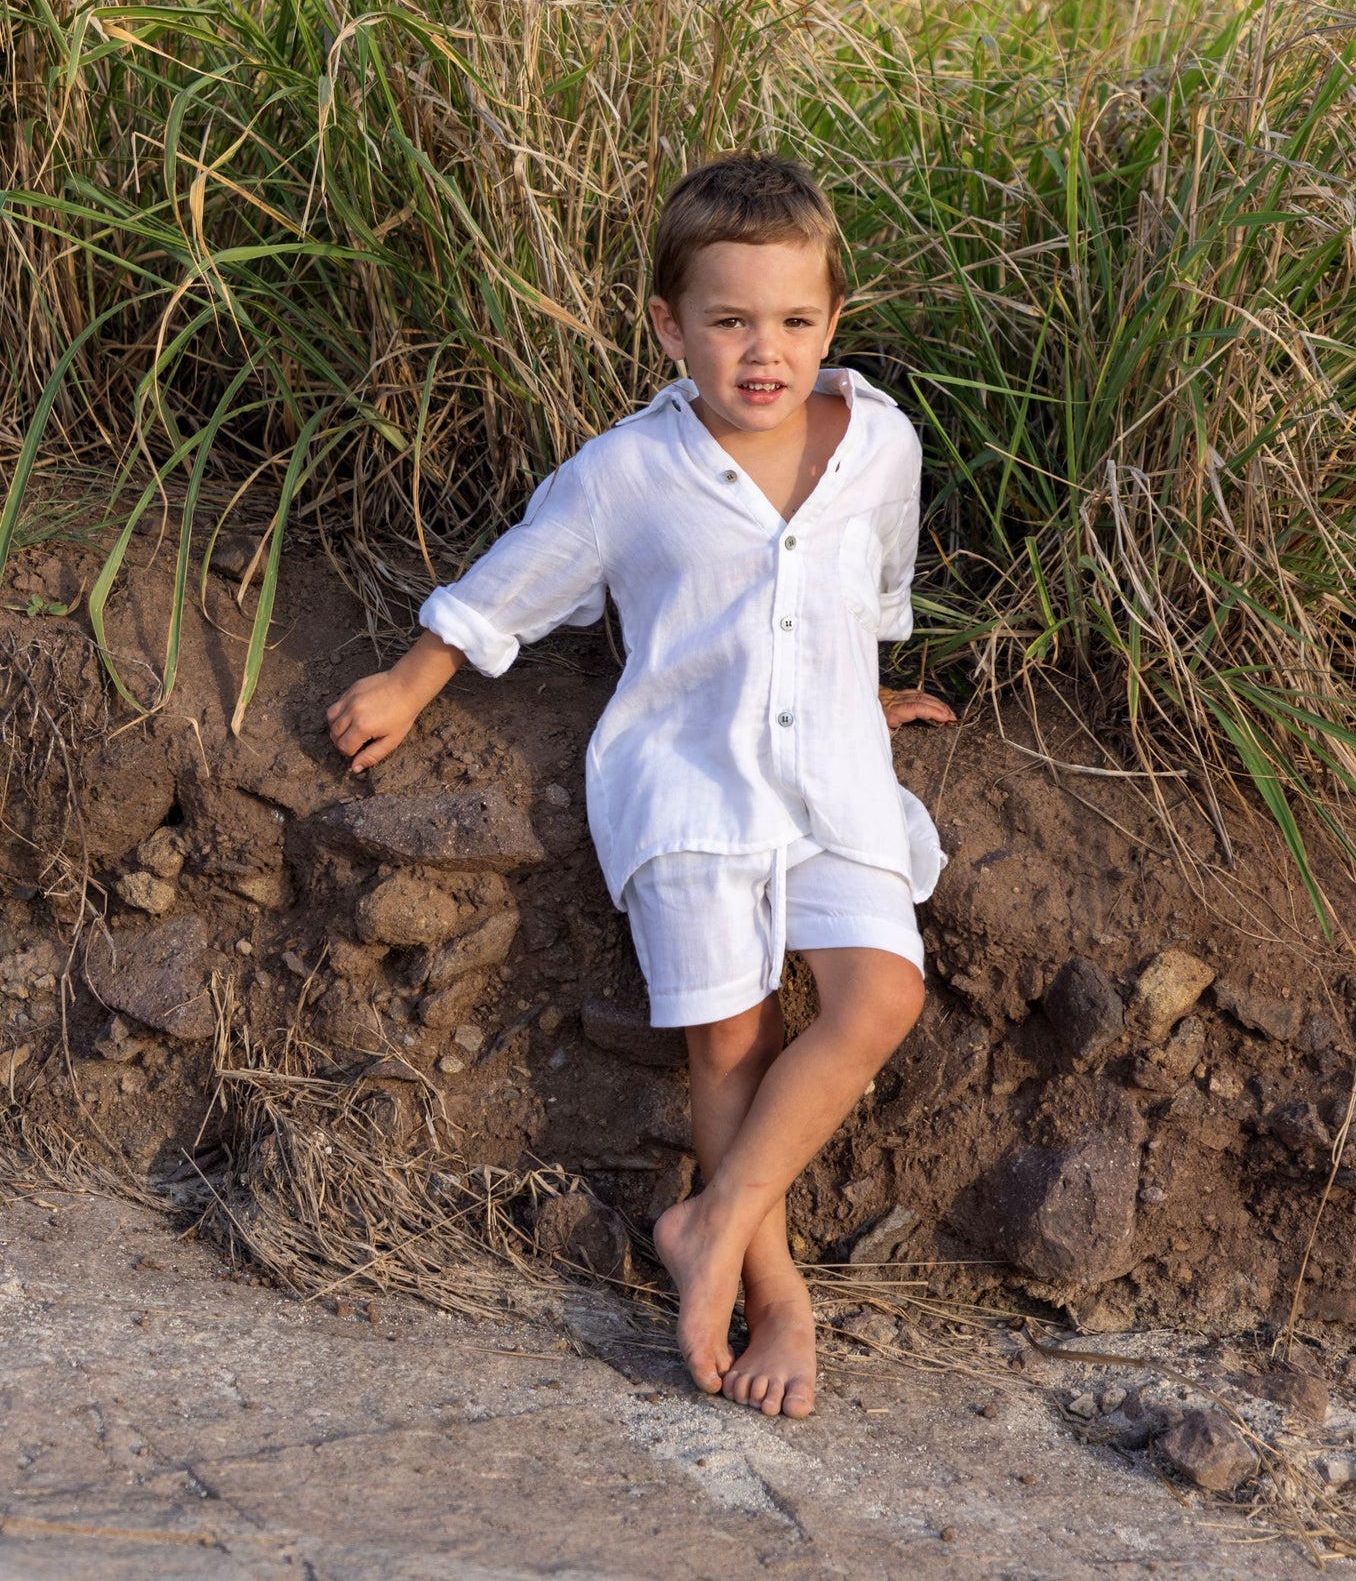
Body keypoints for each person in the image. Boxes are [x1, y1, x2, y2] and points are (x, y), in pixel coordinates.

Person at [326, 153, 954, 1419]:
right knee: (732, 1035)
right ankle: (774, 1293)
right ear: (670, 326)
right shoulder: (630, 469)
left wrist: (860, 681)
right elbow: (518, 573)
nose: (760, 351)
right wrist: (409, 679)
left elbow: (870, 579)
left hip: (832, 768)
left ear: (831, 321)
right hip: (687, 779)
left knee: (879, 993)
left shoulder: (877, 441)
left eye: (790, 321)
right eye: (727, 322)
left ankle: (706, 1220)